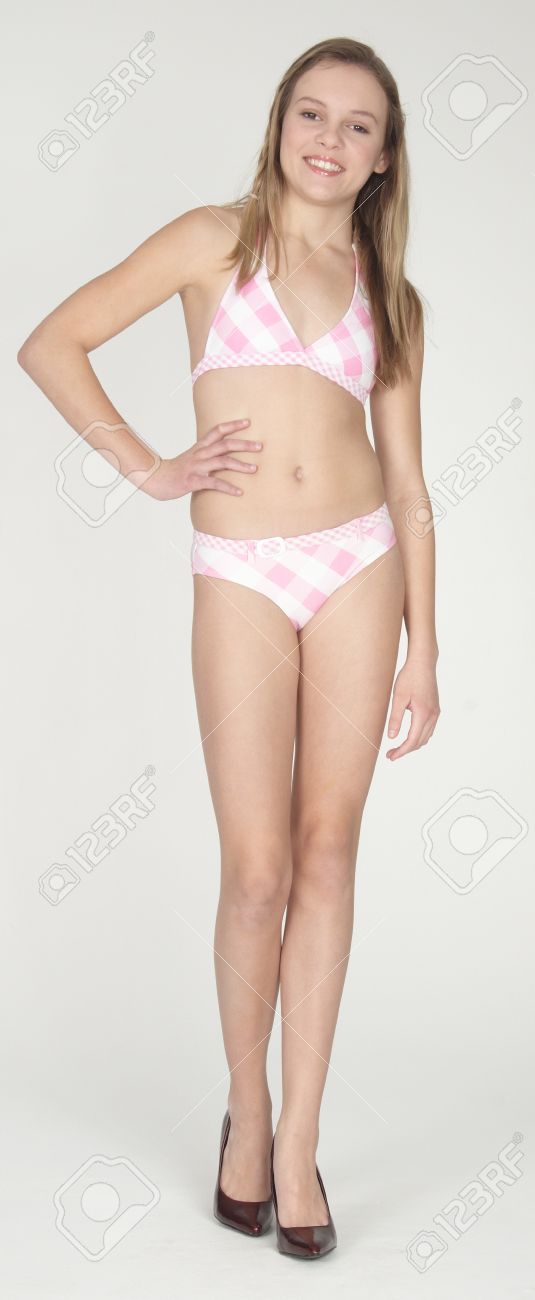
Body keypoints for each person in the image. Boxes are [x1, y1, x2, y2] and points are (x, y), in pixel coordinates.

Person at [17, 36, 440, 1259]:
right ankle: (244, 1113)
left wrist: (424, 649)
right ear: (278, 123)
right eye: (311, 113)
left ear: (383, 155)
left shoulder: (389, 293)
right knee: (255, 871)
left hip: (359, 566)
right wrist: (150, 466)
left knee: (327, 852)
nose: (329, 139)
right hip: (243, 571)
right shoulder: (214, 241)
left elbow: (410, 487)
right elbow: (51, 341)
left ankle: (299, 1141)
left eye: (357, 125)